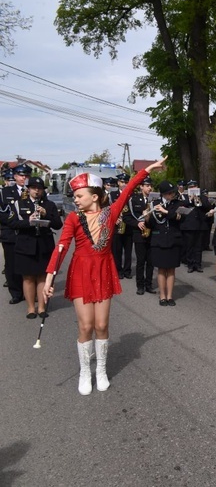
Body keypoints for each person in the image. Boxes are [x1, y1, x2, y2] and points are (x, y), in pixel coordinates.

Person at [43, 158, 166, 395]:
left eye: (79, 195)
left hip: (103, 270)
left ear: (95, 196)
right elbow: (62, 247)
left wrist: (145, 171)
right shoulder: (72, 219)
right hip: (81, 272)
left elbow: (128, 190)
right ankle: (84, 372)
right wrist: (49, 278)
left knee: (101, 325)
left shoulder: (110, 214)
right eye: (75, 195)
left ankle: (100, 369)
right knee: (86, 325)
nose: (75, 199)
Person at [7, 176, 63, 318]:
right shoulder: (20, 204)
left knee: (43, 277)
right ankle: (31, 308)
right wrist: (28, 221)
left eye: (39, 189)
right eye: (34, 188)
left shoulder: (49, 205)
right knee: (28, 278)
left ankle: (42, 308)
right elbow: (12, 223)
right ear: (29, 189)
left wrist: (46, 214)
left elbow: (58, 224)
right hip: (26, 245)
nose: (37, 191)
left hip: (44, 245)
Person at [146, 180, 184, 306]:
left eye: (172, 192)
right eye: (169, 193)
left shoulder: (178, 204)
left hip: (174, 239)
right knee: (161, 269)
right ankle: (162, 296)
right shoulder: (154, 204)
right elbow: (150, 224)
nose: (171, 195)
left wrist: (166, 211)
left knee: (171, 269)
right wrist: (146, 216)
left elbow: (180, 218)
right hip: (159, 240)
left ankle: (170, 296)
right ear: (163, 194)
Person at [0, 164, 32, 304]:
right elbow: (3, 214)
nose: (23, 178)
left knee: (28, 264)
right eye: (21, 175)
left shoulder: (34, 192)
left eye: (26, 175)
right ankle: (16, 293)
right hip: (10, 233)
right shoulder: (5, 192)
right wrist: (18, 224)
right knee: (11, 265)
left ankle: (30, 292)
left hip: (28, 234)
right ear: (15, 176)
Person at [122, 176, 156, 295]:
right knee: (141, 261)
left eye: (150, 186)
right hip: (139, 233)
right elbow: (126, 217)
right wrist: (137, 223)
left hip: (152, 233)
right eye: (147, 185)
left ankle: (149, 284)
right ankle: (140, 285)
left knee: (151, 261)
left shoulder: (155, 200)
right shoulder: (133, 199)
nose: (149, 188)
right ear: (141, 186)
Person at [182, 180, 211, 273]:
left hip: (200, 225)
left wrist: (199, 199)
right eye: (190, 187)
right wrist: (191, 199)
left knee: (198, 246)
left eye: (194, 187)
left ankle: (198, 264)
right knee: (189, 246)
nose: (192, 189)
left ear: (197, 187)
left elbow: (208, 206)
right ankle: (190, 264)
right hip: (189, 225)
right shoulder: (185, 197)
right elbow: (182, 206)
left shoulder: (202, 196)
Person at [111, 173, 134, 279]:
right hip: (117, 225)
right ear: (118, 183)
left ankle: (127, 270)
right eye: (122, 182)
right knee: (117, 250)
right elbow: (108, 209)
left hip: (129, 226)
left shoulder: (132, 195)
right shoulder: (112, 195)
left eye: (126, 182)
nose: (124, 184)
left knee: (128, 250)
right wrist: (114, 219)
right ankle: (118, 270)